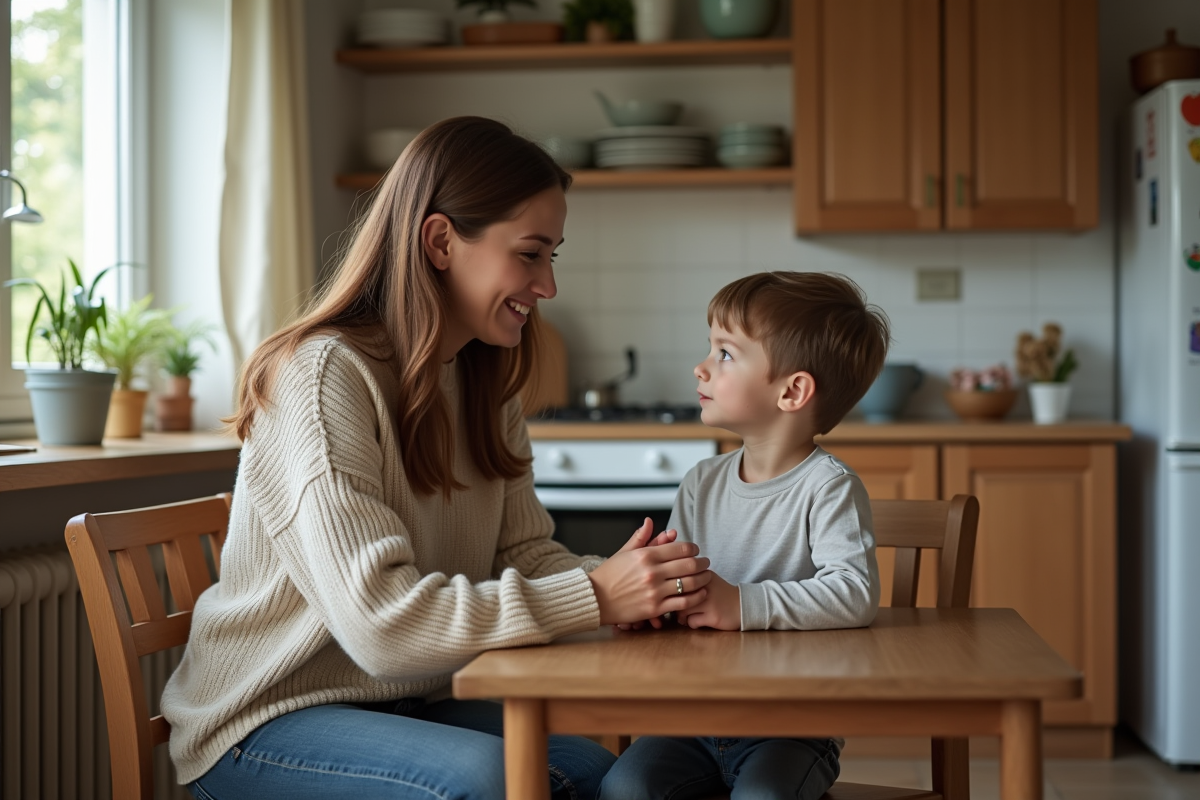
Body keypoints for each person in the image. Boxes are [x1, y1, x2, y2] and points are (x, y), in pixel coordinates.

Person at [161, 116, 713, 800]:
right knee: (486, 783)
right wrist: (594, 595)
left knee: (607, 777)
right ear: (442, 241)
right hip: (266, 722)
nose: (548, 286)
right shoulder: (320, 377)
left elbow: (525, 556)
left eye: (553, 257)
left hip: (407, 697)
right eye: (530, 253)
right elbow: (381, 626)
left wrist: (630, 590)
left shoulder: (482, 380)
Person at [599, 271, 891, 800]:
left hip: (792, 729)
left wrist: (742, 604)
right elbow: (684, 586)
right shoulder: (700, 482)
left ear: (792, 391)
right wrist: (654, 607)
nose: (702, 366)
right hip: (692, 718)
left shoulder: (829, 488)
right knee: (624, 787)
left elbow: (855, 593)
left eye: (725, 354)